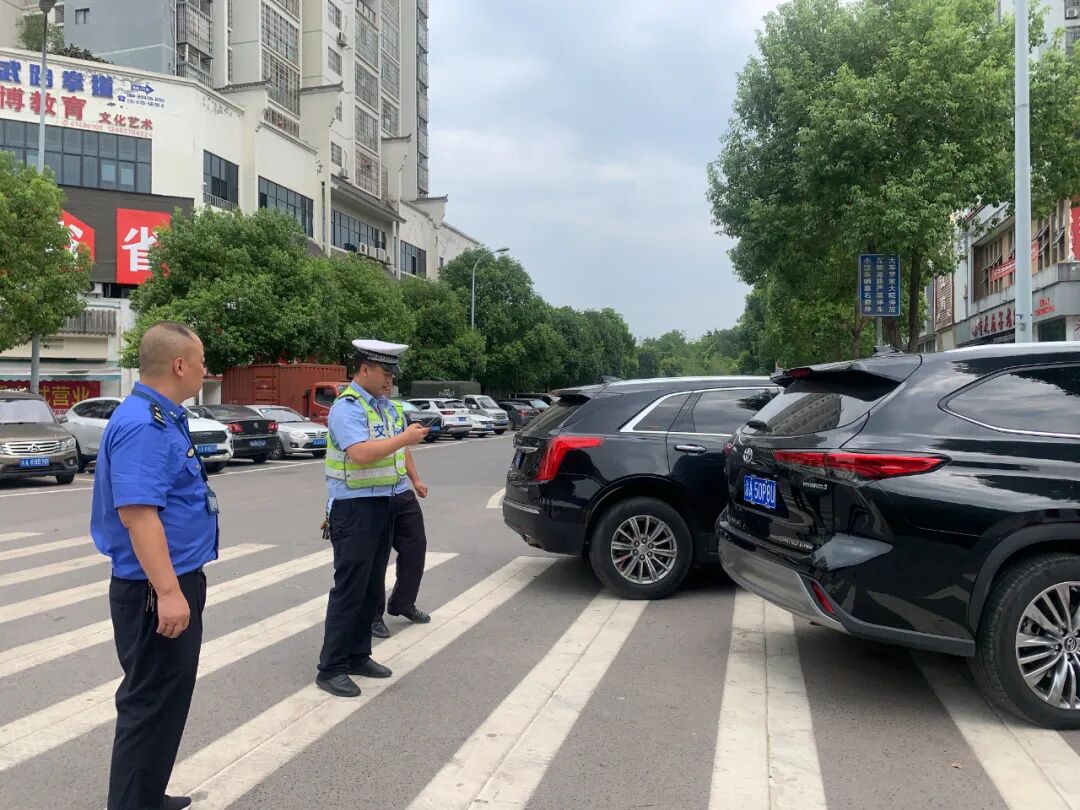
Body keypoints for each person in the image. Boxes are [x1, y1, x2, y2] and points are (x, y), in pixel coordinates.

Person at [90, 321, 217, 810]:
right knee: (148, 704)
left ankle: (146, 795)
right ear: (180, 365)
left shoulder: (161, 416)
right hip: (153, 586)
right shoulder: (144, 425)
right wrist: (167, 591)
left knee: (165, 700)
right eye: (201, 361)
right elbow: (138, 514)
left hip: (169, 578)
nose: (206, 370)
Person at [316, 339, 429, 698]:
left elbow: (396, 453)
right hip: (353, 509)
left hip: (384, 503)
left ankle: (358, 655)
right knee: (349, 589)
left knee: (369, 588)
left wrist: (410, 466)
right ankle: (331, 668)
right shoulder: (347, 407)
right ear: (364, 369)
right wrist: (405, 438)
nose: (390, 380)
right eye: (384, 372)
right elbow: (361, 454)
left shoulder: (386, 407)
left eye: (393, 374)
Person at [371, 433, 431, 639]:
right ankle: (372, 615)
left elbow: (402, 450)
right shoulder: (357, 414)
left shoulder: (395, 415)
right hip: (372, 497)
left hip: (401, 493)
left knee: (416, 548)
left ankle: (403, 603)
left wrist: (416, 479)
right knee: (376, 557)